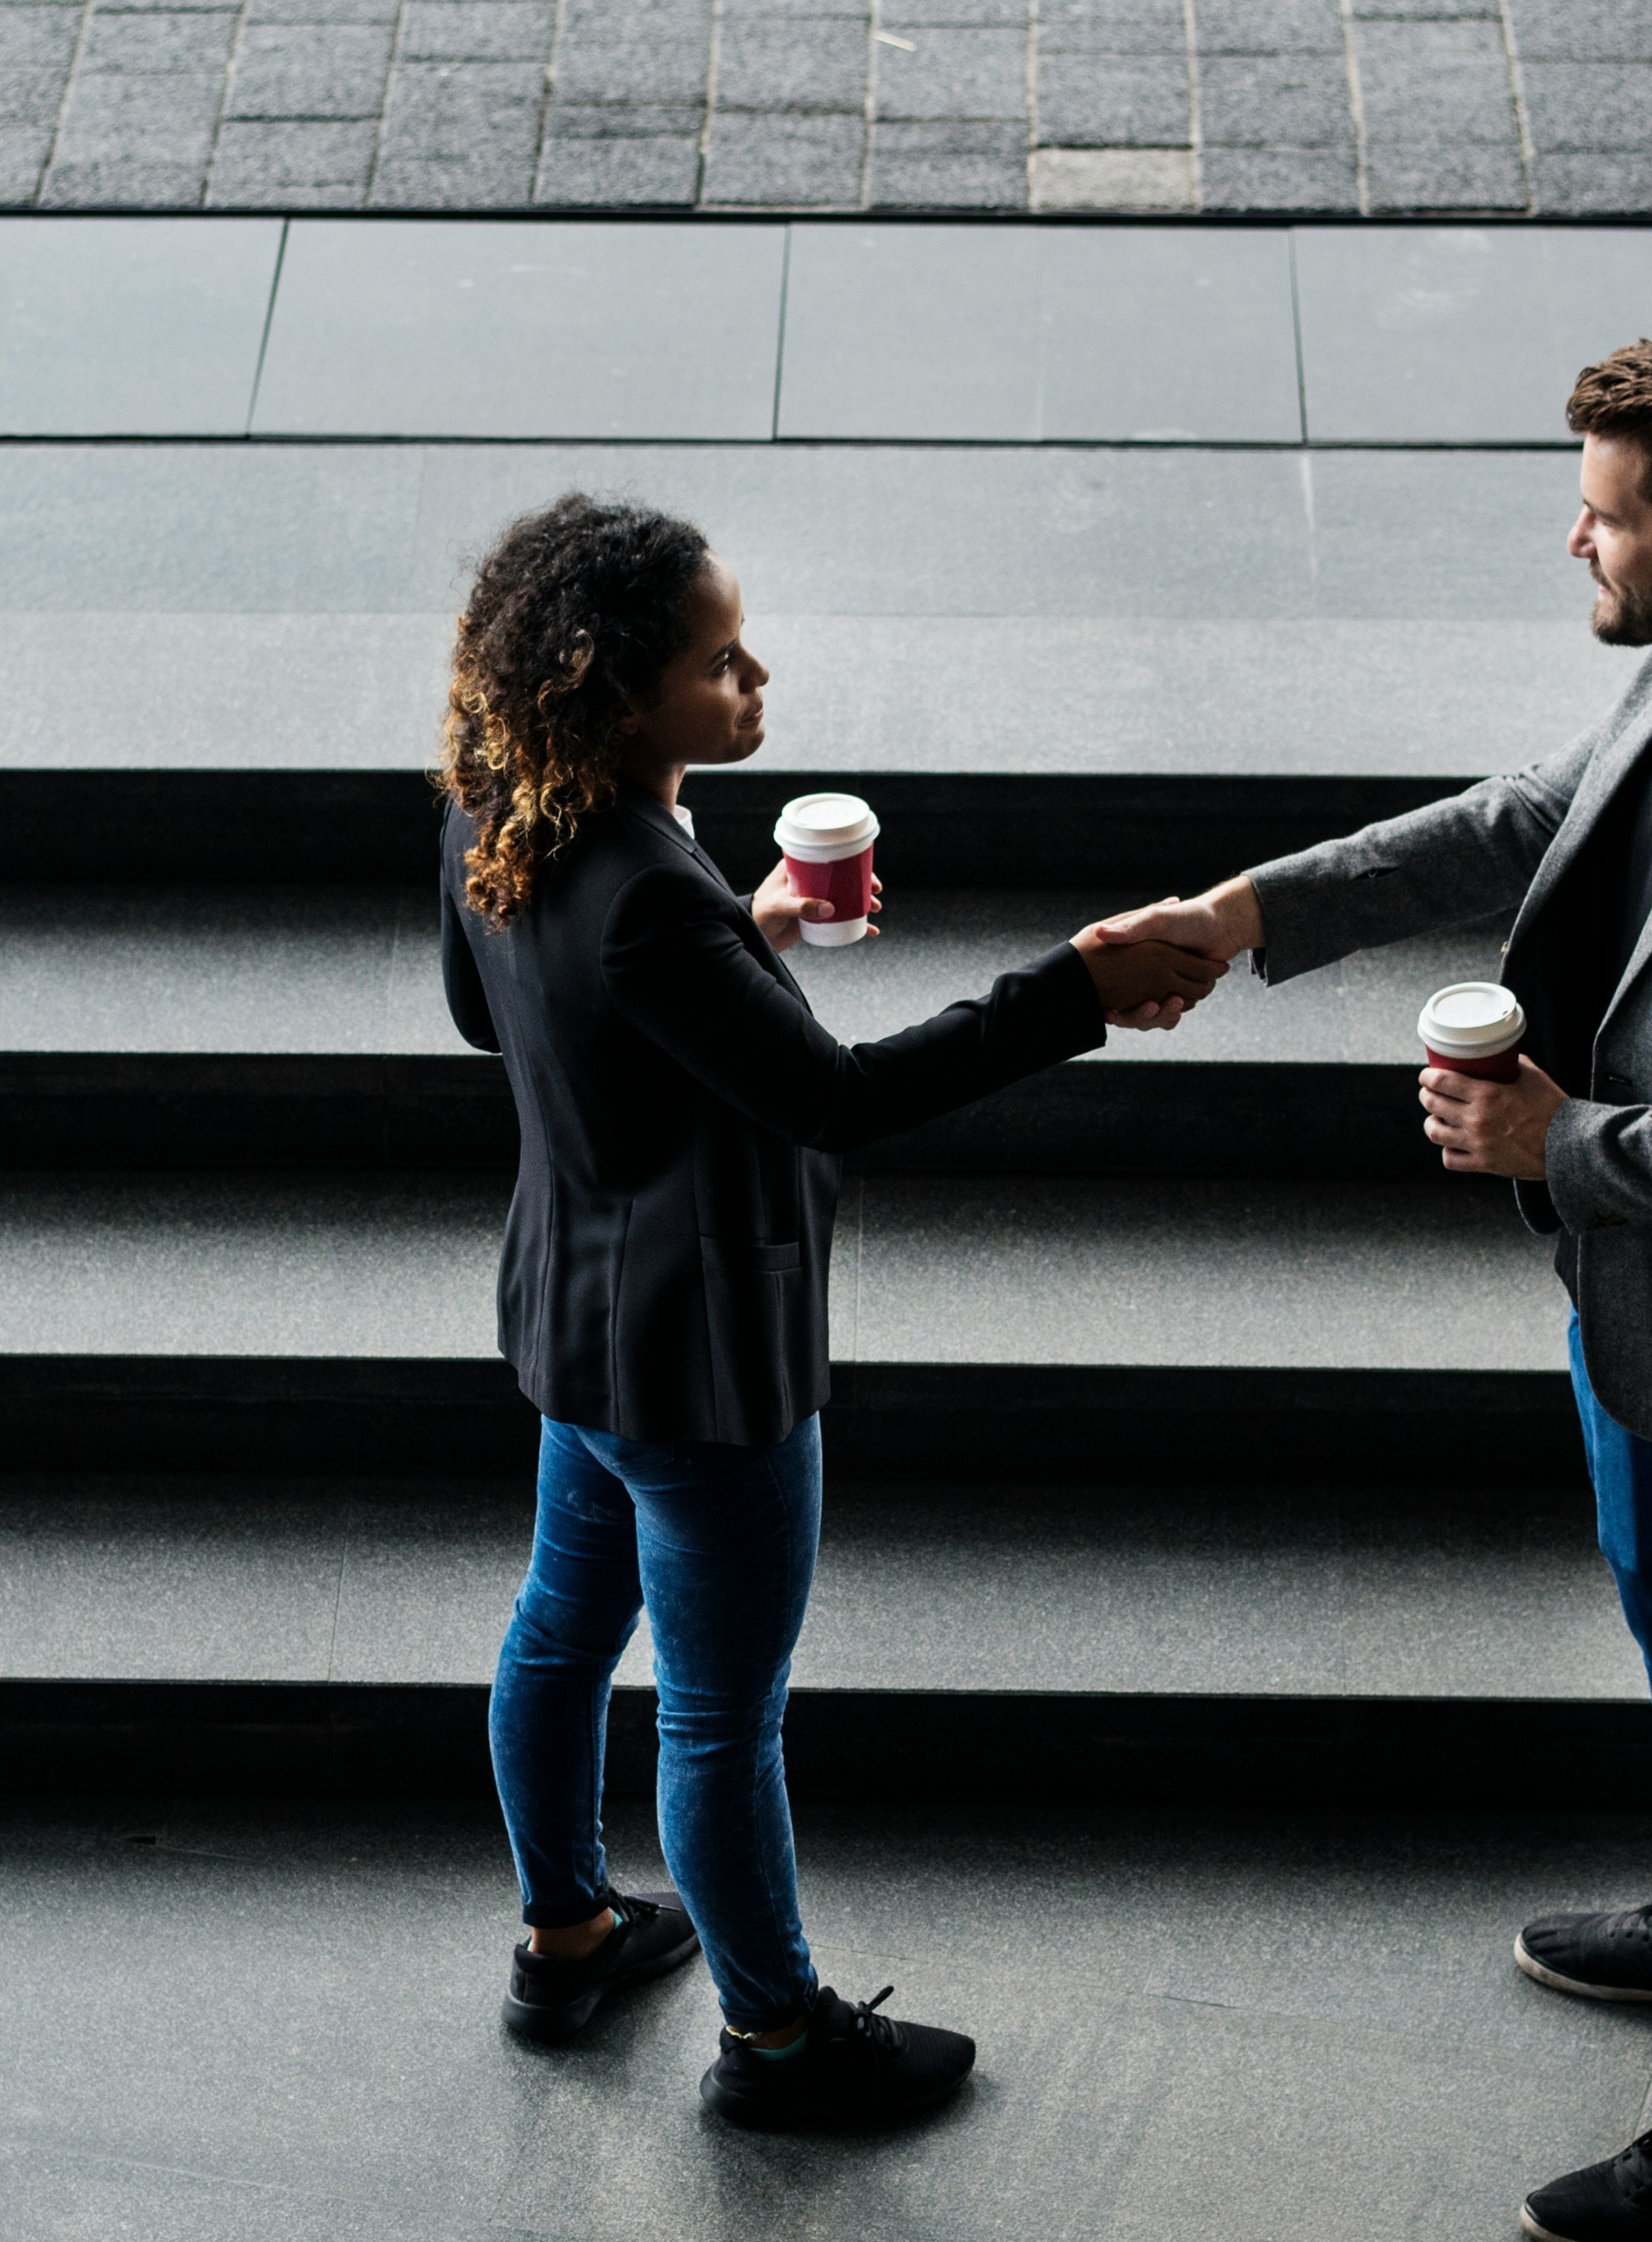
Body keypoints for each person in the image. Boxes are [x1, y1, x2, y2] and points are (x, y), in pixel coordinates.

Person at [1102, 336, 1652, 2242]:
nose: (1566, 536)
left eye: (1602, 512)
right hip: (1648, 1306)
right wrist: (1243, 917)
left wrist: (1561, 1145)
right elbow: (1524, 820)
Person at [442, 494, 1222, 2134]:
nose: (756, 679)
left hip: (574, 1332)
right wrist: (1074, 982)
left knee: (560, 1629)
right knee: (722, 1721)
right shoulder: (649, 890)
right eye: (720, 664)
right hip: (708, 1366)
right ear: (615, 687)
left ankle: (566, 1932)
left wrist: (742, 936)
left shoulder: (496, 808)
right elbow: (837, 1100)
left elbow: (486, 1008)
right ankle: (779, 2044)